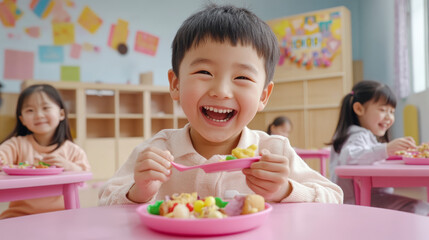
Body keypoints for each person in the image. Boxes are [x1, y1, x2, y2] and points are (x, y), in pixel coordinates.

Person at [99, 4, 342, 206]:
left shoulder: (272, 150)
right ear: (175, 84)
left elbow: (335, 198)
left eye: (242, 77)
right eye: (204, 72)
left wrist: (286, 190)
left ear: (263, 96)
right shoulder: (159, 149)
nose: (221, 91)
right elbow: (104, 202)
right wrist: (138, 191)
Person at [329, 80, 429, 215]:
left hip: (366, 198)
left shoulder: (362, 135)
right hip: (357, 202)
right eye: (383, 110)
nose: (389, 117)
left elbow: (369, 156)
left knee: (419, 206)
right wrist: (386, 149)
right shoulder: (357, 135)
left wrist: (392, 152)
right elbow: (350, 157)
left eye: (392, 112)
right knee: (420, 208)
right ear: (359, 109)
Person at [0, 84, 90, 219]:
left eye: (46, 108)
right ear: (22, 119)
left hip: (62, 215)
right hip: (19, 215)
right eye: (30, 110)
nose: (39, 115)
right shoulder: (17, 144)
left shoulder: (72, 150)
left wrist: (70, 166)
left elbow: (84, 176)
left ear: (61, 114)